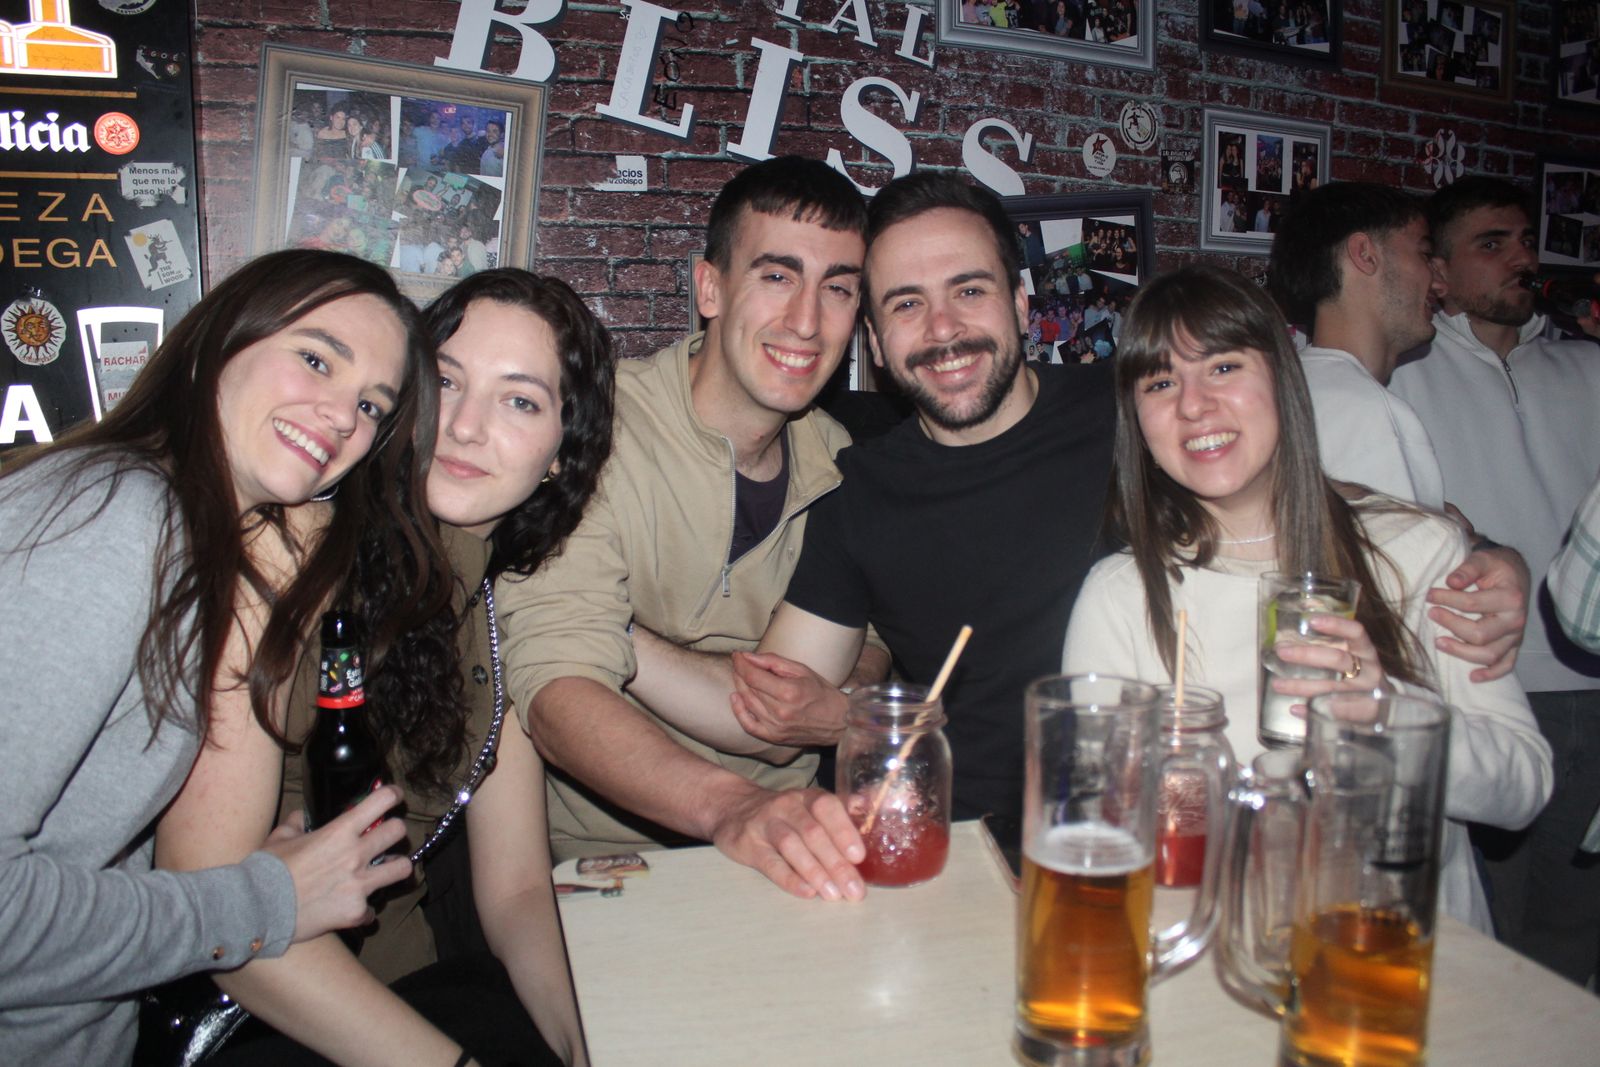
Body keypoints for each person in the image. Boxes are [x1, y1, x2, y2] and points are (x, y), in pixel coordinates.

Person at [634, 173, 1535, 837]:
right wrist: (600, 631)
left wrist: (1487, 552)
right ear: (873, 337)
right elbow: (766, 702)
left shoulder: (1132, 404)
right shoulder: (861, 486)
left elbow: (1287, 475)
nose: (943, 330)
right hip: (964, 864)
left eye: (971, 291)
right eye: (907, 305)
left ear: (1024, 302)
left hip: (1157, 842)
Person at [0, 250, 435, 1066]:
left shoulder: (192, 538)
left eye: (372, 405)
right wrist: (262, 898)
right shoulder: (110, 515)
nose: (344, 418)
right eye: (315, 358)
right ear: (215, 343)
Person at [168, 272, 614, 1066]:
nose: (466, 427)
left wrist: (581, 1050)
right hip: (254, 1008)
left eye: (520, 401)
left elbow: (514, 889)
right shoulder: (290, 553)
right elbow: (219, 909)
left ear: (560, 453)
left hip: (408, 991)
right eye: (445, 381)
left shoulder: (485, 601)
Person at [1061, 263, 1553, 933]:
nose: (1194, 404)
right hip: (1218, 961)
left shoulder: (1416, 549)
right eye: (1161, 381)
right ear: (1137, 420)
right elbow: (1098, 829)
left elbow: (1523, 786)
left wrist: (1390, 715)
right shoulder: (1121, 597)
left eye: (1224, 367)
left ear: (1281, 377)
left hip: (1405, 968)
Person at [498, 156, 878, 903]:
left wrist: (844, 692)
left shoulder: (844, 462)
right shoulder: (597, 431)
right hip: (608, 864)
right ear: (710, 287)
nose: (807, 320)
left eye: (837, 288)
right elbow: (557, 686)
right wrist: (736, 807)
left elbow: (880, 630)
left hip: (802, 840)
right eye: (776, 275)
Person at [1389, 176, 1600, 987]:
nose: (1524, 255)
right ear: (1437, 270)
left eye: (1524, 239)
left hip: (1593, 695)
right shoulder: (1401, 373)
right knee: (1489, 958)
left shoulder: (1586, 367)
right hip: (1486, 688)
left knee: (1574, 945)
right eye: (1493, 243)